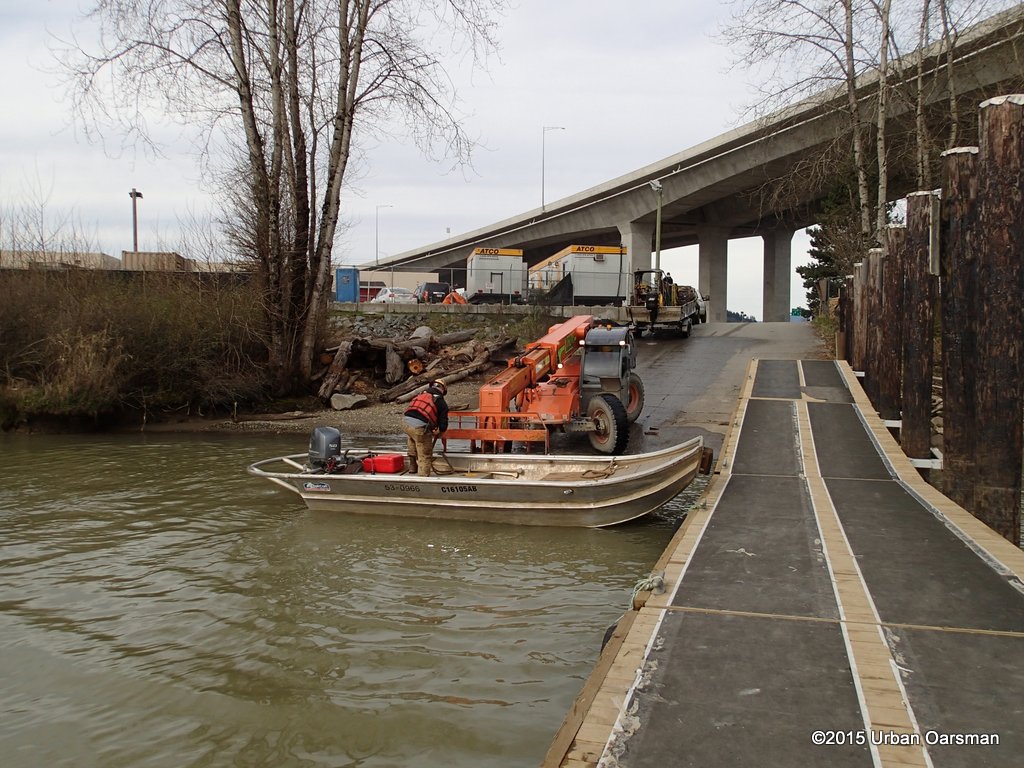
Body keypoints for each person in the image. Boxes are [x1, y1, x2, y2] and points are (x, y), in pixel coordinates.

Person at [402, 380, 449, 476]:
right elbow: (443, 424)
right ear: (443, 390)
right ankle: (423, 477)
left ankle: (412, 466)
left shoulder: (421, 395)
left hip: (405, 423)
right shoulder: (441, 402)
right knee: (425, 455)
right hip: (419, 428)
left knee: (412, 438)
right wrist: (439, 432)